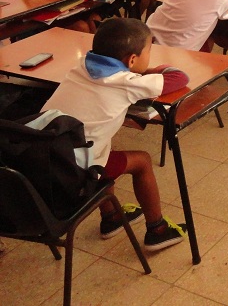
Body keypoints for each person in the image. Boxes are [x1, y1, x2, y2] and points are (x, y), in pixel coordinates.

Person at [41, 18, 190, 251]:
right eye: (149, 51)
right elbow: (180, 78)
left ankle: (111, 217)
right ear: (132, 60)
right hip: (73, 175)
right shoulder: (126, 82)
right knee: (142, 161)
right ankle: (158, 230)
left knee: (102, 148)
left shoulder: (81, 66)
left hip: (42, 163)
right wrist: (149, 71)